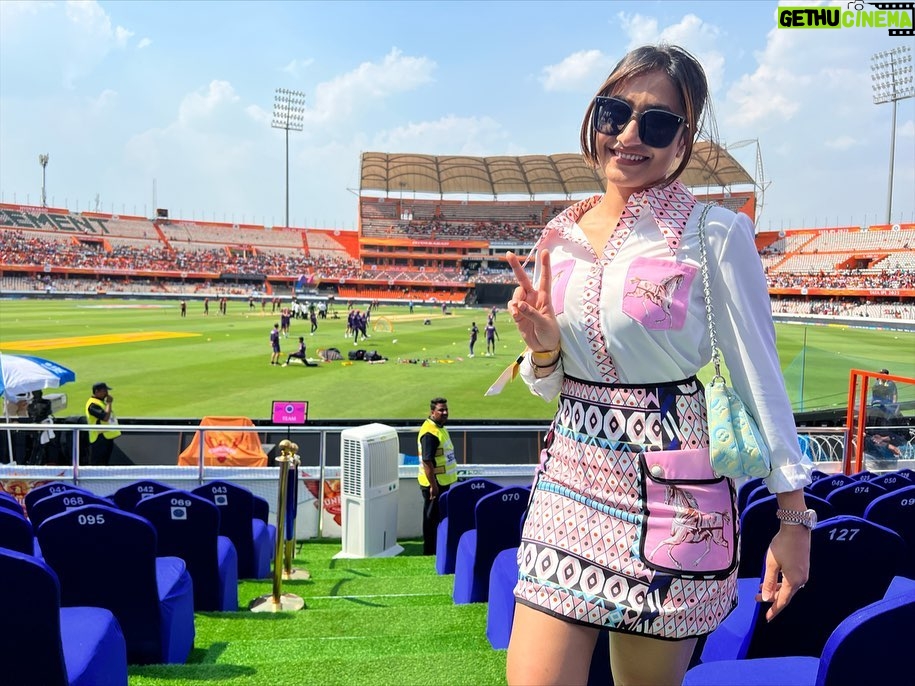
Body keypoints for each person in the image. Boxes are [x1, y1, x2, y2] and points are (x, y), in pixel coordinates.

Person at [503, 45, 813, 686]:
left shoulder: (716, 233)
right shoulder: (559, 233)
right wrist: (543, 347)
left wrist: (792, 520)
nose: (629, 135)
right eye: (616, 113)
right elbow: (553, 384)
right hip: (571, 480)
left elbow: (762, 377)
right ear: (594, 118)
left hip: (676, 493)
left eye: (658, 123)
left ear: (685, 139)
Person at [416, 397, 458, 555]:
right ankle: (430, 552)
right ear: (432, 412)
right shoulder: (430, 433)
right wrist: (433, 486)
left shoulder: (439, 428)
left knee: (437, 518)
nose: (445, 413)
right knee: (431, 520)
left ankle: (437, 549)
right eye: (441, 410)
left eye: (446, 409)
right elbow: (427, 461)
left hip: (441, 482)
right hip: (434, 485)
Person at [85, 382, 120, 466]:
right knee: (98, 463)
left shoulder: (99, 402)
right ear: (97, 392)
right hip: (99, 438)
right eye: (104, 391)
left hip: (105, 437)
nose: (107, 393)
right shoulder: (93, 404)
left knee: (104, 462)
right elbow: (105, 417)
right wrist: (109, 403)